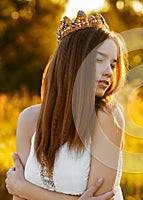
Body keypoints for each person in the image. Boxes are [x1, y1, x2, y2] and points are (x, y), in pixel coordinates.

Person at [5, 10, 127, 200]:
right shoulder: (29, 120)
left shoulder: (107, 117)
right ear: (73, 63)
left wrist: (23, 187)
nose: (109, 72)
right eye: (99, 60)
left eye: (112, 64)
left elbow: (101, 197)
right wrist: (20, 191)